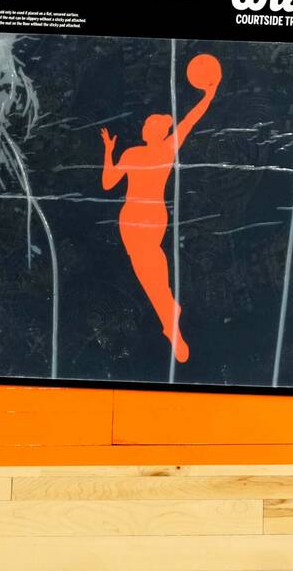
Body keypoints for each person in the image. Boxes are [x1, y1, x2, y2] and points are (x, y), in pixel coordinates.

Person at [100, 56, 221, 363]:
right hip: (154, 217)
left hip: (134, 217)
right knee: (152, 267)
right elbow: (191, 120)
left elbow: (107, 183)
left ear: (151, 131)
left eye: (147, 124)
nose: (143, 126)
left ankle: (170, 321)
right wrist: (209, 96)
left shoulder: (133, 152)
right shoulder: (166, 150)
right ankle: (169, 310)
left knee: (147, 271)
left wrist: (109, 152)